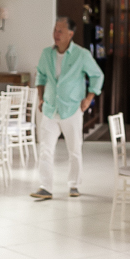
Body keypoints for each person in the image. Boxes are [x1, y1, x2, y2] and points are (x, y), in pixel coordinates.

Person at [30, 16, 105, 200]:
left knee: (74, 149)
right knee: (46, 149)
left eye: (60, 31)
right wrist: (40, 98)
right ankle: (45, 187)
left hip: (72, 108)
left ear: (70, 34)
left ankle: (74, 185)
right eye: (55, 30)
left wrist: (88, 99)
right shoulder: (46, 53)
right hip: (50, 108)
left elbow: (97, 76)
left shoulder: (81, 54)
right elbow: (40, 76)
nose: (56, 34)